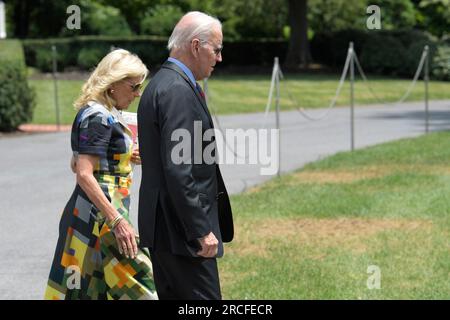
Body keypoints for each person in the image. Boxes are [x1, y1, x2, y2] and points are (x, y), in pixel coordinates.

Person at [44, 49, 158, 300]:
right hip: (103, 216)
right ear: (114, 83)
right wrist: (117, 221)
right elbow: (84, 174)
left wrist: (127, 155)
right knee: (140, 288)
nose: (138, 93)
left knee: (87, 292)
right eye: (134, 86)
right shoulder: (99, 116)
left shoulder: (98, 112)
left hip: (92, 214)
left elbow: (77, 162)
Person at [137, 11, 234, 300]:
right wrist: (199, 230)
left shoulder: (161, 83)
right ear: (195, 46)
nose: (219, 58)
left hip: (164, 227)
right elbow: (180, 170)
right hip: (181, 232)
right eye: (216, 50)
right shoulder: (178, 90)